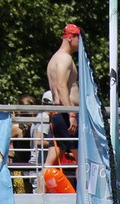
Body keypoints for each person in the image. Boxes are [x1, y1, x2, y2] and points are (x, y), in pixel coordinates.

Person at [45, 25, 80, 169]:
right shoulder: (65, 58)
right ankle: (83, 186)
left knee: (51, 163)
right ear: (70, 38)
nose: (80, 43)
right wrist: (71, 114)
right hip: (66, 115)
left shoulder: (55, 58)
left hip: (59, 113)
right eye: (79, 38)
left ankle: (41, 184)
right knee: (82, 161)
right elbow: (61, 86)